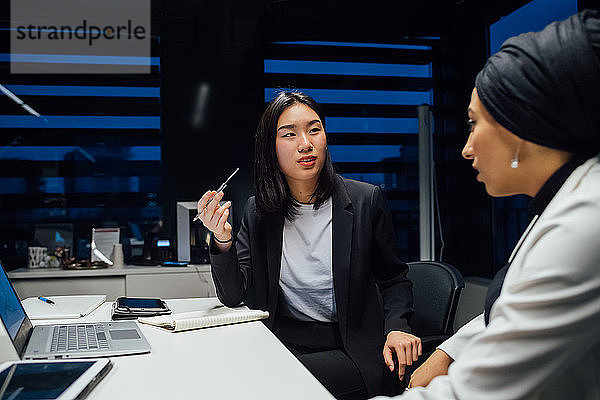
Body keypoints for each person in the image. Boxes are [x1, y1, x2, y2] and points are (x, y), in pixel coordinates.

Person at [373, 9, 600, 400]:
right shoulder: (560, 199)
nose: (465, 149)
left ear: (519, 125)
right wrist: (447, 350)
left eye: (474, 124)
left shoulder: (584, 221)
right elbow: (521, 302)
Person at [197, 91, 421, 399]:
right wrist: (222, 240)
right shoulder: (259, 211)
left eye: (314, 130)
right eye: (289, 134)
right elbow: (235, 296)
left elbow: (394, 279)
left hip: (348, 346)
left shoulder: (364, 200)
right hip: (283, 341)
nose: (306, 143)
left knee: (265, 387)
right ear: (270, 148)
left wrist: (398, 326)